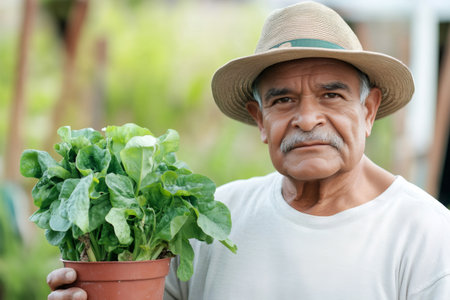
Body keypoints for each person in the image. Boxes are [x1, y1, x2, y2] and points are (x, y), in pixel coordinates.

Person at [47, 1, 450, 299]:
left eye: (331, 95)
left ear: (368, 109)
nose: (307, 119)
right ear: (259, 119)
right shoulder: (214, 221)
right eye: (283, 100)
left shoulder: (425, 236)